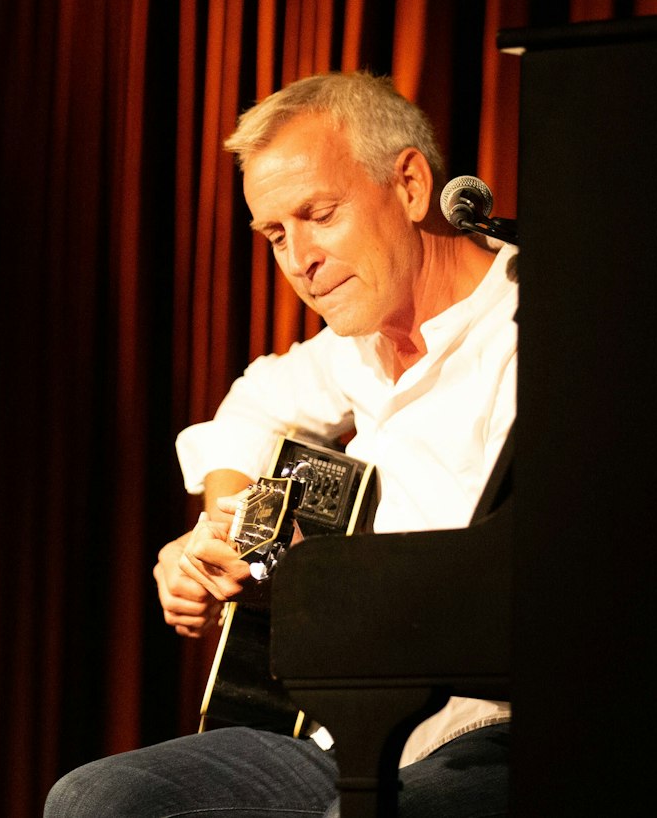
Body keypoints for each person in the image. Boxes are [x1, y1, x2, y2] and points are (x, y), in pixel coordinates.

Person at [45, 72, 517, 818]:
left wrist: (310, 580)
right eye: (274, 234)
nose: (298, 259)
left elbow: (499, 582)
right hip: (349, 731)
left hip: (491, 729)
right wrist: (232, 534)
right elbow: (252, 407)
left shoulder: (529, 334)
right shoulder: (357, 339)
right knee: (94, 799)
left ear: (410, 185)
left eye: (319, 215)